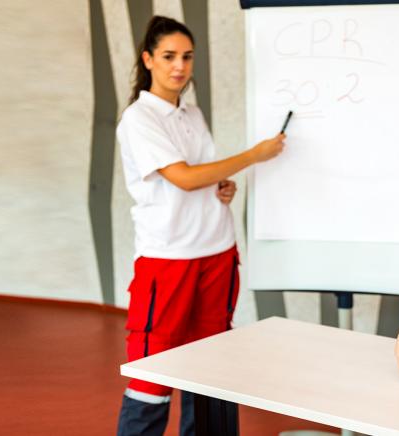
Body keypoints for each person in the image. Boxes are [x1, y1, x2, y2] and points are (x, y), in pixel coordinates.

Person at [115, 16, 285, 436]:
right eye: (169, 56)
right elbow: (184, 177)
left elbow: (201, 175)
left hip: (217, 250)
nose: (180, 66)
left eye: (187, 57)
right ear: (148, 59)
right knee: (152, 372)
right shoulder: (139, 118)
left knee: (209, 365)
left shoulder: (191, 112)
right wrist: (253, 156)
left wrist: (223, 185)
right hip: (168, 257)